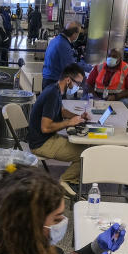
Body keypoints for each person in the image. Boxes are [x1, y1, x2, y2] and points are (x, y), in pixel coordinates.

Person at [29, 63, 90, 196]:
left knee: (84, 146)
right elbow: (45, 128)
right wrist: (69, 123)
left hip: (45, 138)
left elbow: (61, 111)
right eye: (78, 83)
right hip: (42, 143)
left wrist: (78, 117)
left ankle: (72, 179)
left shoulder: (55, 89)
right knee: (86, 153)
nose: (78, 87)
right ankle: (66, 181)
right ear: (68, 80)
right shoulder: (52, 94)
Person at [42, 23, 90, 89]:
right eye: (79, 33)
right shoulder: (64, 45)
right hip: (54, 81)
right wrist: (87, 71)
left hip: (48, 78)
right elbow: (70, 67)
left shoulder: (56, 40)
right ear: (75, 34)